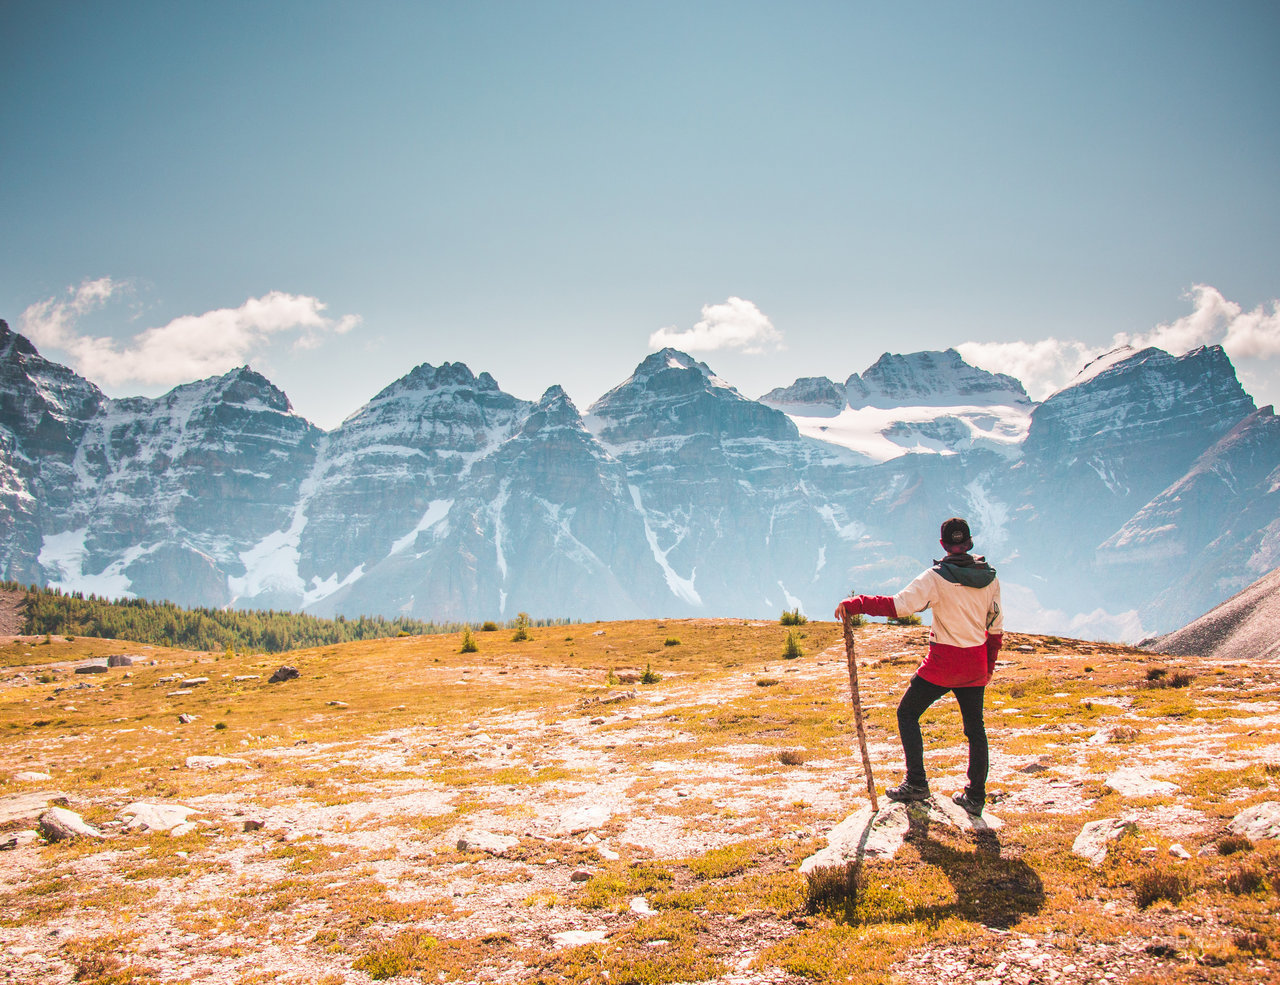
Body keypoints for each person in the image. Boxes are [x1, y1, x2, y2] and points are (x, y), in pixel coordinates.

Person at [834, 517, 1003, 816]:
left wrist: (856, 603)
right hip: (975, 663)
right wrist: (988, 666)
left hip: (943, 664)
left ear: (942, 545)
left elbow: (898, 606)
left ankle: (917, 783)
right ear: (970, 542)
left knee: (907, 713)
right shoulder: (990, 578)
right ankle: (976, 796)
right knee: (975, 729)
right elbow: (996, 628)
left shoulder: (936, 578)